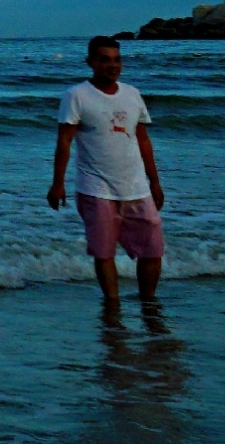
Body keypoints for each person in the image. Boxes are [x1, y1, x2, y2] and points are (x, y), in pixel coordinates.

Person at [49, 34, 164, 303]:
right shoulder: (77, 96)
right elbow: (64, 141)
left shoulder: (132, 94)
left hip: (136, 186)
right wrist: (58, 183)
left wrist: (154, 181)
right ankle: (112, 306)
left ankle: (148, 302)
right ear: (90, 62)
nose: (112, 65)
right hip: (95, 187)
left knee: (153, 248)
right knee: (104, 252)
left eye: (116, 60)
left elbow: (143, 139)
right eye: (104, 60)